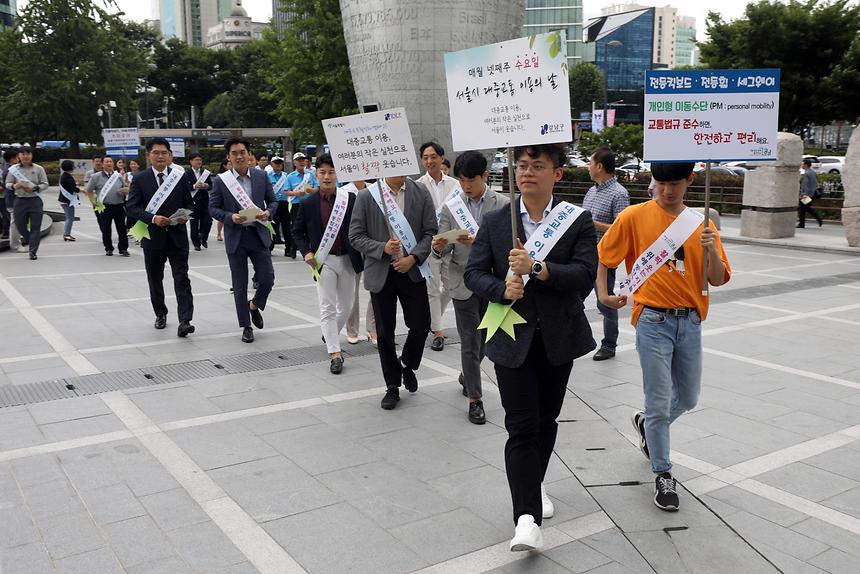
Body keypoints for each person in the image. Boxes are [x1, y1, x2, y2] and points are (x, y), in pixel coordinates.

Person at [464, 143, 597, 552]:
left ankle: (533, 485)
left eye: (537, 165)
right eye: (521, 165)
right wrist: (500, 289)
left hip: (558, 337)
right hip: (509, 335)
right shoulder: (495, 221)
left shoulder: (577, 220)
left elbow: (585, 276)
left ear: (557, 173)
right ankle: (526, 518)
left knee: (546, 420)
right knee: (520, 425)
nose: (527, 172)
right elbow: (473, 274)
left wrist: (538, 268)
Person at [597, 161, 731, 512]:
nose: (667, 191)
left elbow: (718, 279)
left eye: (674, 184)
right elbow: (605, 257)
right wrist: (602, 293)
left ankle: (646, 425)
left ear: (689, 180)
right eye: (660, 183)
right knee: (658, 400)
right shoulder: (633, 217)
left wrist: (712, 249)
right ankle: (663, 474)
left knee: (687, 398)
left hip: (690, 322)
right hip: (652, 320)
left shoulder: (702, 224)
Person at [432, 150, 508, 425]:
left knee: (488, 338)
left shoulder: (503, 204)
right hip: (462, 281)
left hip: (491, 282)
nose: (465, 186)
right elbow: (440, 247)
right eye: (462, 180)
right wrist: (439, 246)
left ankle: (469, 371)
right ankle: (475, 399)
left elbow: (508, 246)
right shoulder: (452, 207)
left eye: (471, 181)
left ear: (485, 176)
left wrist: (479, 243)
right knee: (468, 340)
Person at [349, 172, 436, 410]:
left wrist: (414, 258)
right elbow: (355, 236)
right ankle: (392, 385)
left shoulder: (420, 193)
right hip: (381, 272)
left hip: (411, 270)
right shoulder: (367, 196)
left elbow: (430, 231)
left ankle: (407, 363)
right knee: (385, 332)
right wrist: (382, 247)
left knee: (420, 324)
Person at [292, 154, 364, 374]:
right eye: (322, 172)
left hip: (348, 260)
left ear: (338, 175)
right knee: (327, 307)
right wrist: (306, 252)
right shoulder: (308, 203)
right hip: (324, 261)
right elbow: (297, 231)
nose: (326, 176)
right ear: (316, 175)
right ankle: (335, 353)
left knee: (347, 306)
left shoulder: (350, 200)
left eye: (331, 172)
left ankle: (329, 332)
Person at [126, 137, 196, 336]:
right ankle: (160, 313)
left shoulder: (179, 177)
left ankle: (185, 320)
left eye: (164, 152)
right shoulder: (140, 179)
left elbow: (190, 204)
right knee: (155, 278)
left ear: (169, 155)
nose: (160, 156)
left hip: (177, 236)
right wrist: (153, 218)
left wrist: (184, 216)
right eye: (156, 152)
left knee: (182, 278)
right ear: (149, 156)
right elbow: (132, 208)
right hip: (152, 236)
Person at [209, 138, 278, 343]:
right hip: (236, 237)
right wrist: (230, 217)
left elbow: (273, 201)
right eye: (234, 153)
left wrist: (268, 212)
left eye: (242, 152)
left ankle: (254, 305)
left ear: (249, 154)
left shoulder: (261, 176)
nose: (239, 156)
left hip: (258, 235)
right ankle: (246, 326)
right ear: (228, 157)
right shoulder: (221, 181)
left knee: (267, 279)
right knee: (239, 285)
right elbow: (213, 208)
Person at [583, 147, 629, 361]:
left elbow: (622, 229)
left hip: (605, 256)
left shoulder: (619, 193)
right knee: (573, 296)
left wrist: (593, 224)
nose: (588, 166)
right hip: (583, 253)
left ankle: (609, 345)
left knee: (605, 300)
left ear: (600, 166)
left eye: (590, 163)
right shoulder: (592, 190)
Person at [416, 142, 460, 352]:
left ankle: (434, 321)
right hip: (429, 244)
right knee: (432, 290)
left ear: (442, 158)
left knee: (451, 286)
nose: (429, 161)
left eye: (433, 156)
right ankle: (438, 332)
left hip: (452, 244)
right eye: (425, 157)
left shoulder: (455, 185)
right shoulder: (417, 185)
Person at [343, 179, 377, 346]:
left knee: (377, 287)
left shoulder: (375, 189)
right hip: (353, 246)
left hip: (374, 245)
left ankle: (373, 328)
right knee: (352, 291)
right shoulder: (344, 192)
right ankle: (352, 329)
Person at [5, 146, 50, 260]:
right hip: (20, 200)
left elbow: (45, 184)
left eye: (28, 154)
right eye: (23, 154)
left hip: (35, 201)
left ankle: (33, 251)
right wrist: (15, 186)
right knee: (20, 226)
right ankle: (32, 239)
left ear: (31, 155)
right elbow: (7, 184)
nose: (25, 156)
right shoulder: (13, 169)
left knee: (36, 227)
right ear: (19, 156)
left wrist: (35, 188)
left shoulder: (39, 168)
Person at [86, 156, 130, 257]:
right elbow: (89, 191)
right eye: (106, 162)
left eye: (110, 161)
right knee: (106, 228)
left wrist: (124, 190)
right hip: (103, 206)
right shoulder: (96, 177)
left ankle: (123, 249)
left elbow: (126, 187)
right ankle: (109, 248)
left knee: (122, 229)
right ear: (102, 164)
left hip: (118, 205)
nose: (109, 163)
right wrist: (93, 202)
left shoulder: (118, 176)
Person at [283, 152, 319, 258]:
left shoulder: (310, 174)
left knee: (311, 227)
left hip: (310, 204)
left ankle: (309, 251)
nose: (301, 162)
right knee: (296, 228)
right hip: (296, 205)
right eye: (299, 160)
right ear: (294, 162)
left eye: (303, 160)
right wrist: (297, 193)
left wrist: (310, 190)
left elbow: (317, 188)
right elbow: (286, 191)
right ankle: (293, 249)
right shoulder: (290, 176)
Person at [185, 153, 213, 251]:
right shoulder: (186, 173)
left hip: (205, 201)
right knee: (194, 223)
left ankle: (203, 238)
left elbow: (211, 185)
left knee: (208, 221)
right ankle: (196, 243)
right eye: (196, 160)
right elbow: (184, 188)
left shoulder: (205, 173)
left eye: (200, 160)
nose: (199, 162)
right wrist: (194, 186)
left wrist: (206, 186)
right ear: (191, 161)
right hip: (193, 202)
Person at [58, 160, 82, 241]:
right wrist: (82, 190)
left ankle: (66, 234)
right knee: (70, 218)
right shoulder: (68, 176)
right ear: (70, 167)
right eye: (72, 165)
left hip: (64, 200)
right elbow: (73, 189)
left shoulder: (64, 175)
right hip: (67, 200)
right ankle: (66, 234)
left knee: (69, 217)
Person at [269, 158, 290, 245]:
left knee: (287, 226)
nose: (278, 165)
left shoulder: (286, 176)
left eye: (280, 163)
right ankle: (271, 245)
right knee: (273, 226)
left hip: (285, 204)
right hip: (273, 203)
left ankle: (289, 248)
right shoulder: (267, 176)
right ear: (271, 164)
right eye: (276, 163)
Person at [798, 158, 823, 228]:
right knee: (807, 208)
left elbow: (806, 185)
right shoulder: (812, 172)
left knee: (802, 208)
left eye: (803, 164)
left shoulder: (807, 173)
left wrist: (804, 195)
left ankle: (801, 224)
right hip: (811, 194)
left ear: (806, 165)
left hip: (807, 195)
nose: (801, 165)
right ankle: (819, 219)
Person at [1, 149, 18, 242]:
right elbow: (6, 185)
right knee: (13, 221)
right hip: (11, 198)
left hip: (11, 198)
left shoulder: (10, 168)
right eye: (17, 157)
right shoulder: (8, 170)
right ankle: (13, 242)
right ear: (12, 159)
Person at [216, 159, 230, 241]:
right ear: (224, 166)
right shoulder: (220, 176)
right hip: (223, 198)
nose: (231, 166)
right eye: (229, 164)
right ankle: (219, 233)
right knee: (222, 217)